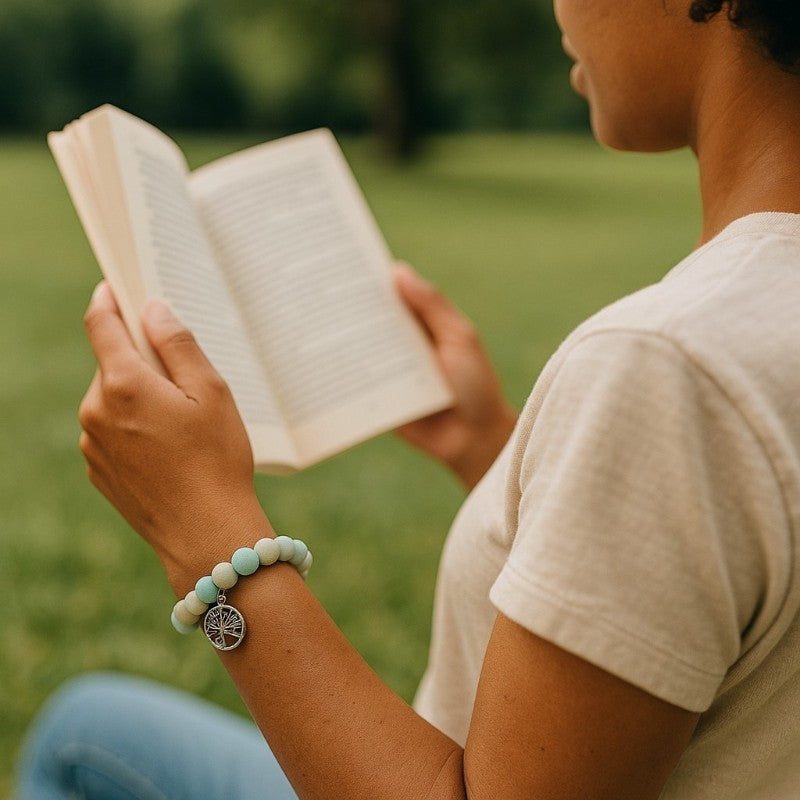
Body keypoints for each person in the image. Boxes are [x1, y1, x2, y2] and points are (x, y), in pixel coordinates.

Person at [16, 1, 800, 797]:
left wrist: (207, 530)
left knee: (78, 743)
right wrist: (491, 446)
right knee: (91, 725)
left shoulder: (671, 367)